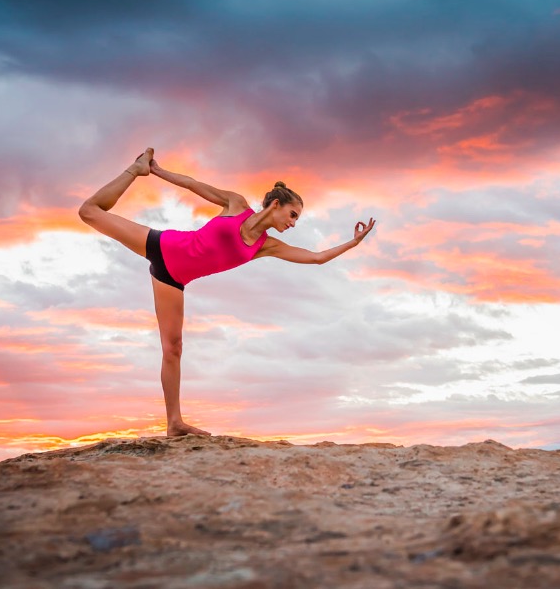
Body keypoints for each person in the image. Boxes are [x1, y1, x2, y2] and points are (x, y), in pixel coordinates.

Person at [78, 148, 376, 436]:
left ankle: (174, 423)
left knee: (174, 348)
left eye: (297, 218)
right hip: (162, 245)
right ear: (276, 205)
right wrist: (156, 171)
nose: (293, 222)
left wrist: (354, 242)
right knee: (89, 212)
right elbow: (195, 186)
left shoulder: (267, 246)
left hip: (172, 279)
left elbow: (316, 257)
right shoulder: (236, 204)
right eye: (293, 214)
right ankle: (136, 170)